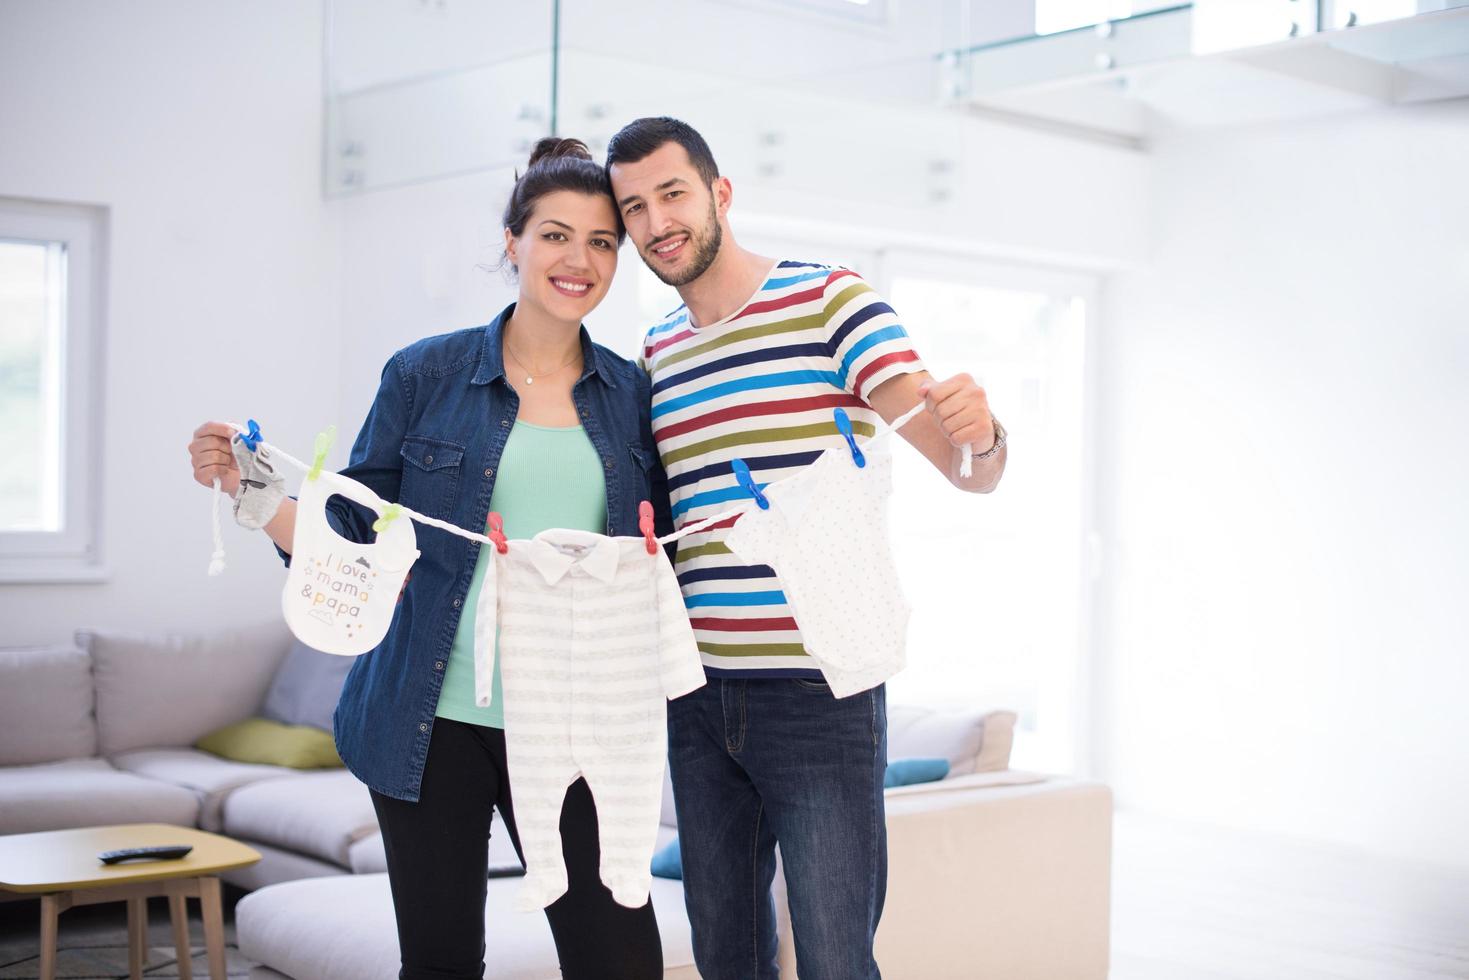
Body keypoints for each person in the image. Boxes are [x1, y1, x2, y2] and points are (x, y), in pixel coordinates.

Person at [187, 137, 668, 980]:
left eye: (601, 242)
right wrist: (252, 491)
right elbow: (351, 537)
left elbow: (662, 558)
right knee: (442, 962)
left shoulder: (634, 395)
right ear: (512, 239)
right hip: (427, 718)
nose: (578, 260)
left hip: (576, 721)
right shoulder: (424, 376)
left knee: (618, 958)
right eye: (555, 234)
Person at [605, 117, 1008, 980]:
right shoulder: (657, 351)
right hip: (696, 696)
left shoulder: (830, 300)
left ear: (719, 193)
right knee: (726, 955)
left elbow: (966, 468)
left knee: (832, 957)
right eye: (634, 207)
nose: (655, 221)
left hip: (819, 690)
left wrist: (985, 433)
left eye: (672, 193)